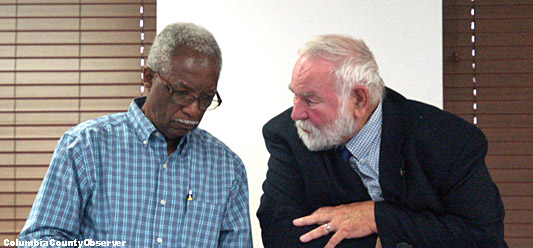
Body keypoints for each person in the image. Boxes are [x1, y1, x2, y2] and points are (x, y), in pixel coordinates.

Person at [257, 34, 507, 248]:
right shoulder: (288, 136)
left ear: (358, 100)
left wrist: (378, 217)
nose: (296, 113)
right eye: (295, 96)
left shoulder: (448, 139)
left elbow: (483, 237)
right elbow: (279, 235)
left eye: (310, 100)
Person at [19, 22, 253, 247]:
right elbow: (40, 238)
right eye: (181, 93)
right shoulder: (85, 147)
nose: (194, 110)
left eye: (205, 98)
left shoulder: (227, 167)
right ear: (149, 77)